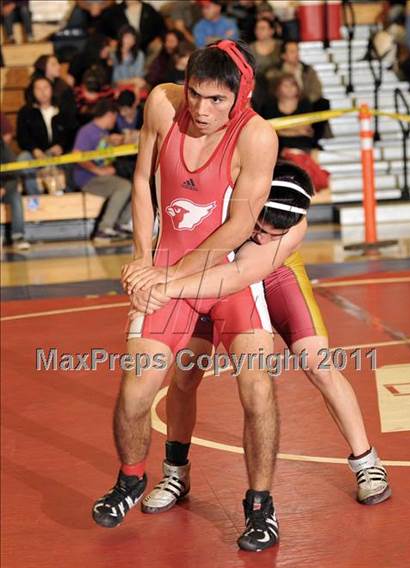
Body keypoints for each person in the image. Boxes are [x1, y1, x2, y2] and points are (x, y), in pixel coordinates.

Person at [92, 40, 281, 552]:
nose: (200, 110)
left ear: (241, 97)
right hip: (166, 268)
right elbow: (140, 183)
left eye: (217, 101)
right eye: (195, 94)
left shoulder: (259, 137)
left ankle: (260, 506)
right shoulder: (161, 103)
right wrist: (140, 259)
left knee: (257, 389)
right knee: (136, 391)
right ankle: (132, 477)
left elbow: (239, 224)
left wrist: (169, 274)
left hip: (226, 278)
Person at [138, 161, 391, 524]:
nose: (259, 236)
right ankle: (176, 472)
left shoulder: (293, 226)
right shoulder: (233, 198)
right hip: (213, 274)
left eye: (271, 233)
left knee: (317, 362)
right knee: (187, 372)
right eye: (256, 227)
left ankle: (366, 462)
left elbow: (242, 273)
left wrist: (164, 288)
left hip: (270, 275)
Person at [72, 99, 132, 243]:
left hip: (100, 176)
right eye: (115, 117)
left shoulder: (104, 133)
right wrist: (97, 170)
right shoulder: (87, 131)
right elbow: (76, 154)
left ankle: (121, 223)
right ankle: (104, 228)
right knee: (124, 186)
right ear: (110, 115)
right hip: (87, 177)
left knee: (137, 187)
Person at [16, 77, 73, 195]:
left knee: (74, 157)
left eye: (46, 87)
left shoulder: (63, 110)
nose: (43, 92)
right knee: (22, 159)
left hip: (59, 154)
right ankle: (34, 197)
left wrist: (61, 146)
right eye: (38, 88)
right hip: (36, 154)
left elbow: (71, 133)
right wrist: (34, 150)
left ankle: (69, 194)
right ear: (33, 91)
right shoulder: (25, 112)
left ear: (52, 89)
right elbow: (22, 137)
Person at [0, 113, 30, 250]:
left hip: (4, 188)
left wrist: (4, 188)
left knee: (16, 197)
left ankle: (18, 236)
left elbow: (14, 172)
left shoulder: (3, 147)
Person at [111, 25, 146, 91]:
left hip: (134, 88)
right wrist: (133, 81)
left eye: (133, 38)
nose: (129, 41)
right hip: (117, 89)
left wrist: (133, 82)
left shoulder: (139, 54)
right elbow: (115, 81)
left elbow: (138, 77)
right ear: (121, 37)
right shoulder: (113, 54)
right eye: (127, 37)